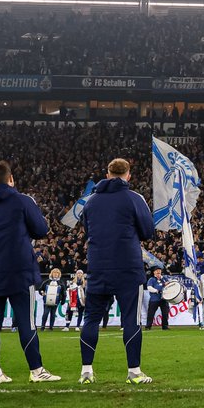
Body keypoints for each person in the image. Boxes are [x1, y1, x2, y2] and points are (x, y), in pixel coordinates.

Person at [0, 160, 60, 384]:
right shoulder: (23, 200)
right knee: (26, 321)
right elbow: (41, 230)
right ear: (10, 179)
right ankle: (36, 370)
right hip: (19, 269)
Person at [78, 158, 156, 385]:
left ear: (108, 173)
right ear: (128, 175)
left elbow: (87, 231)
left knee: (91, 319)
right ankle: (134, 371)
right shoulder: (134, 198)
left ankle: (86, 371)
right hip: (128, 267)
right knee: (131, 318)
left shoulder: (91, 201)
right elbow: (148, 231)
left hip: (98, 266)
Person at [145, 267, 170, 331]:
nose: (158, 272)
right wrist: (157, 291)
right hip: (154, 299)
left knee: (165, 313)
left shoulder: (164, 279)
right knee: (151, 313)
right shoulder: (152, 279)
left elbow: (169, 286)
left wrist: (167, 285)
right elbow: (149, 288)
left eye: (159, 270)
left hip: (164, 299)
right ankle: (148, 326)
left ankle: (165, 326)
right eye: (156, 271)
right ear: (154, 272)